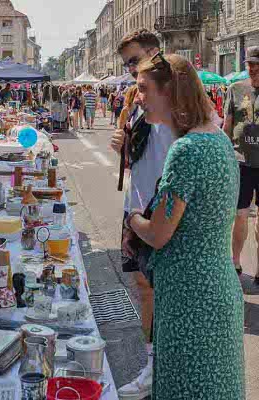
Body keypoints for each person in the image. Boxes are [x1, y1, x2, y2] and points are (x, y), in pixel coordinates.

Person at [128, 52, 244, 400]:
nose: (139, 98)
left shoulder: (188, 149)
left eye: (144, 89)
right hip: (216, 290)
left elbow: (159, 233)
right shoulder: (218, 140)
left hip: (190, 302)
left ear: (170, 91)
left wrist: (133, 219)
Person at [110, 29, 174, 400]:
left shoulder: (177, 94)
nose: (131, 70)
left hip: (163, 206)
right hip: (137, 203)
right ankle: (153, 363)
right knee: (144, 289)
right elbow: (135, 153)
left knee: (162, 290)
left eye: (135, 60)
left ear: (155, 52)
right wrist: (120, 144)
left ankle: (164, 366)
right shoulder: (135, 97)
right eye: (128, 64)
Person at [224, 45, 259, 282]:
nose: (252, 68)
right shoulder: (235, 89)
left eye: (256, 65)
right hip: (241, 163)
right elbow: (226, 126)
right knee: (240, 214)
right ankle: (235, 262)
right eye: (249, 64)